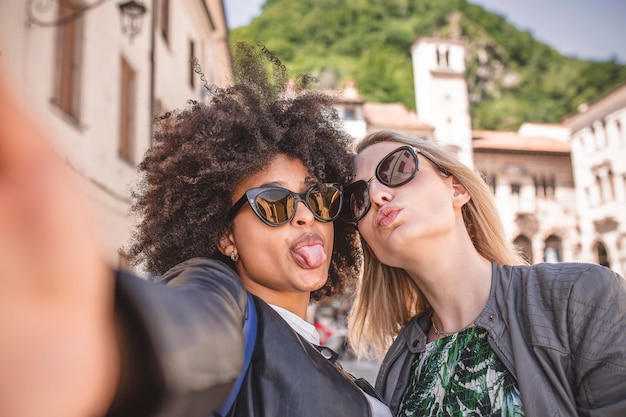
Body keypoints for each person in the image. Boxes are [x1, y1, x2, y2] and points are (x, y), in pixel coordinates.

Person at [0, 43, 391, 417]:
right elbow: (190, 332)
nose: (306, 216)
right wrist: (99, 344)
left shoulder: (337, 365)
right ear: (226, 237)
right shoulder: (225, 304)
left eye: (318, 198)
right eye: (274, 203)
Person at [344, 130, 626, 417]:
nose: (377, 195)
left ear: (457, 189)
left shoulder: (580, 298)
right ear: (370, 245)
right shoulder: (398, 366)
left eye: (397, 168)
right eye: (358, 198)